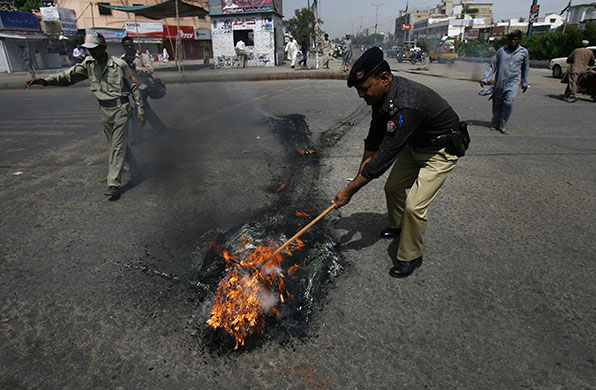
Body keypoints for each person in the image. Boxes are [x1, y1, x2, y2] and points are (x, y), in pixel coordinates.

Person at [333, 47, 465, 279]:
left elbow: (386, 154)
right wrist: (356, 177)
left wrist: (350, 190)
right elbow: (375, 139)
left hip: (440, 150)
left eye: (364, 89)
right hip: (415, 145)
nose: (361, 95)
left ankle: (411, 255)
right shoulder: (383, 96)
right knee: (393, 187)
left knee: (414, 206)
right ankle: (398, 226)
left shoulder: (406, 103)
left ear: (384, 78)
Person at [25, 33, 145, 199]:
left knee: (117, 146)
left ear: (104, 48)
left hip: (121, 109)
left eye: (95, 49)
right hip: (104, 110)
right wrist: (46, 81)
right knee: (116, 145)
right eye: (90, 50)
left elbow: (134, 88)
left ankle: (113, 183)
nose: (92, 53)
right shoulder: (89, 64)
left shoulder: (120, 65)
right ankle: (136, 170)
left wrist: (140, 111)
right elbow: (68, 77)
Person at [480, 29, 529, 135]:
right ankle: (495, 122)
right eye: (511, 39)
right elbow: (493, 65)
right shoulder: (501, 51)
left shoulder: (523, 52)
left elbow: (525, 67)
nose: (512, 41)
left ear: (519, 40)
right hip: (499, 81)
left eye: (515, 39)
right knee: (497, 103)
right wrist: (486, 78)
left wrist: (524, 82)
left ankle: (503, 123)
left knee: (508, 102)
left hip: (513, 81)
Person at [121, 36, 167, 145]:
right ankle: (160, 128)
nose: (129, 47)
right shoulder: (122, 58)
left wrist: (135, 68)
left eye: (131, 45)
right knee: (146, 110)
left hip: (143, 87)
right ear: (123, 47)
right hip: (132, 88)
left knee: (137, 112)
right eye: (127, 46)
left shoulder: (141, 56)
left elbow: (150, 70)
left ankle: (137, 138)